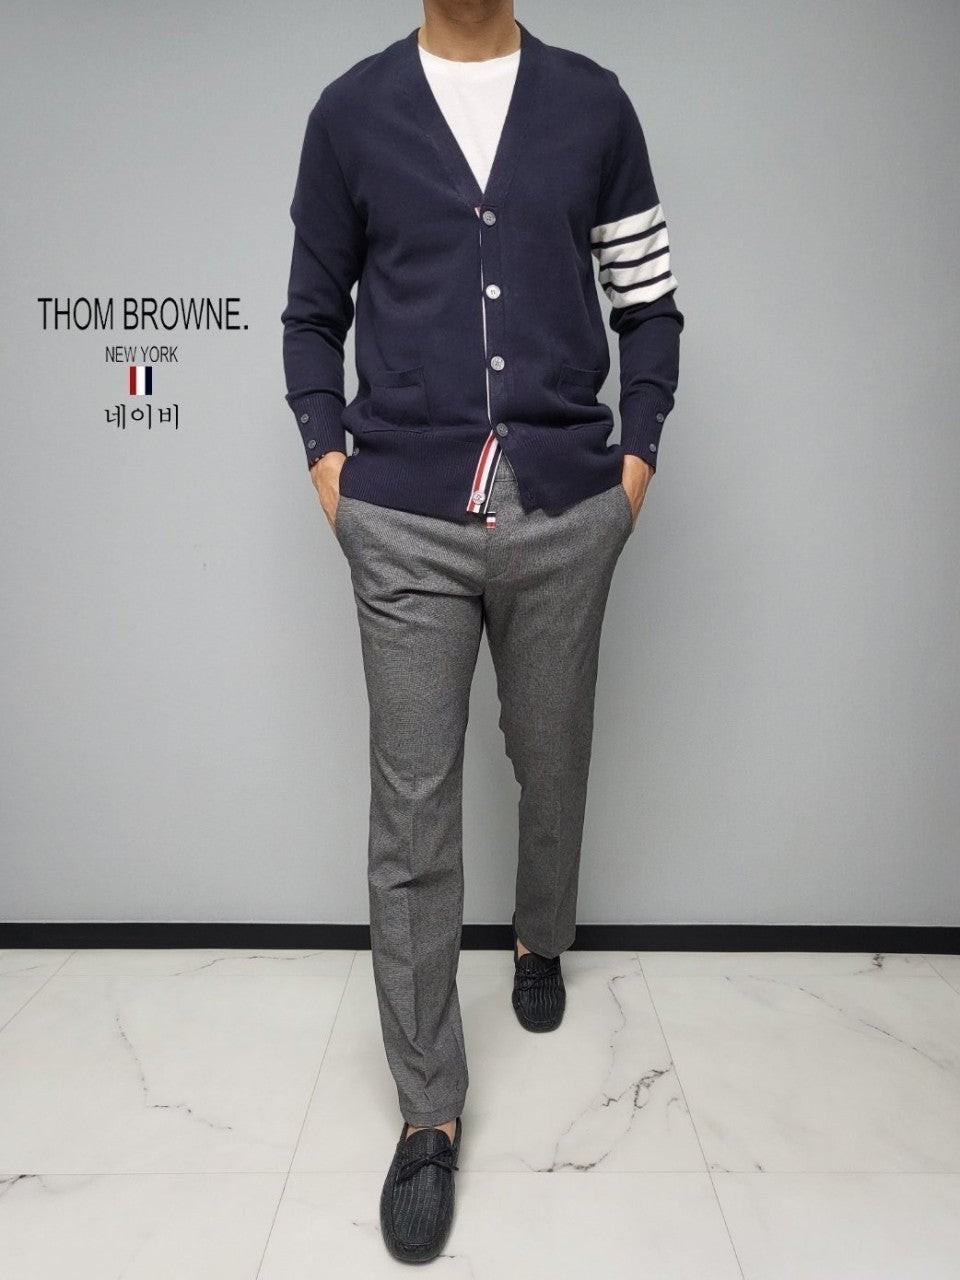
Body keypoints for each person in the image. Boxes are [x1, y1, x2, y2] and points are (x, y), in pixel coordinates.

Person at [280, 0, 682, 1263]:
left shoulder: (595, 105)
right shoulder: (351, 114)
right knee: (411, 809)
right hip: (402, 516)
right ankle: (427, 1111)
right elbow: (309, 315)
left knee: (551, 754)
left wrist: (634, 467)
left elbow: (650, 305)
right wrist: (331, 470)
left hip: (566, 508)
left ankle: (539, 934)